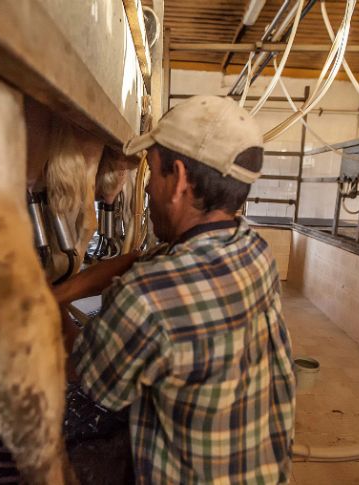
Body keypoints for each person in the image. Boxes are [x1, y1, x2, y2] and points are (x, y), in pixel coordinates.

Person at [54, 95, 296, 484]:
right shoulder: (252, 248)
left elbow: (83, 369)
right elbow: (140, 259)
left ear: (180, 179)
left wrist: (45, 307)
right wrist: (62, 293)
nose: (147, 189)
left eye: (154, 172)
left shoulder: (147, 299)